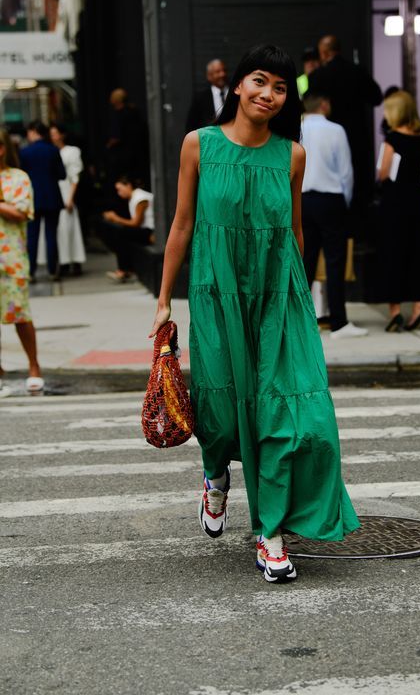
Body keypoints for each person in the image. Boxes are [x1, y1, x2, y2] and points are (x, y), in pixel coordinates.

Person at [149, 44, 360, 584]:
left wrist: (304, 294)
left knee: (293, 419)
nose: (269, 94)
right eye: (260, 82)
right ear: (238, 86)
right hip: (216, 292)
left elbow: (294, 231)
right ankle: (216, 477)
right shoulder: (199, 145)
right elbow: (181, 225)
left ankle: (271, 535)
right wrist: (163, 298)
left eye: (281, 87)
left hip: (278, 296)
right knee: (219, 413)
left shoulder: (293, 155)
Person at [301, 90, 367, 339]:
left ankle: (303, 322)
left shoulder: (297, 129)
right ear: (324, 104)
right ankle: (338, 321)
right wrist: (345, 200)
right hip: (331, 200)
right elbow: (346, 171)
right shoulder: (336, 130)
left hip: (303, 199)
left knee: (305, 262)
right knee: (335, 261)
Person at [308, 35, 383, 224]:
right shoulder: (357, 71)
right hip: (357, 138)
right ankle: (358, 233)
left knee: (333, 179)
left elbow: (308, 104)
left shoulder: (318, 75)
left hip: (327, 138)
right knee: (357, 182)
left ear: (324, 53)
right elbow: (377, 98)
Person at [377, 91, 420, 332]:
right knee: (416, 252)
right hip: (416, 201)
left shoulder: (392, 138)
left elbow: (383, 173)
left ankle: (395, 311)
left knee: (393, 253)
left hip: (394, 203)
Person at [0, 127, 43, 393]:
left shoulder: (18, 178)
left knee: (20, 314)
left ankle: (33, 366)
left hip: (10, 258)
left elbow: (20, 212)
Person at [19, 120, 66, 282]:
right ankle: (53, 270)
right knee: (51, 235)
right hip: (52, 197)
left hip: (32, 199)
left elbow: (21, 176)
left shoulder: (25, 152)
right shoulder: (53, 150)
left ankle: (30, 271)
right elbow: (62, 174)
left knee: (32, 236)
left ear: (32, 131)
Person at [48, 124, 86, 276]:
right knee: (59, 230)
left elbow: (75, 177)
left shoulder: (71, 151)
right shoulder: (51, 152)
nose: (53, 136)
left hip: (66, 191)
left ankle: (75, 260)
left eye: (55, 133)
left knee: (69, 228)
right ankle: (63, 261)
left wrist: (70, 197)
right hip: (55, 191)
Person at [100, 175, 154, 282]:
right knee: (121, 233)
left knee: (122, 233)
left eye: (120, 189)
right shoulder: (134, 198)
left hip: (152, 232)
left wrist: (115, 218)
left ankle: (124, 270)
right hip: (146, 230)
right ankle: (126, 269)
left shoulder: (140, 198)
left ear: (128, 185)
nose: (119, 193)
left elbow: (136, 223)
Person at [105, 89, 149, 188]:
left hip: (122, 156)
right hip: (138, 154)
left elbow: (116, 137)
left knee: (123, 182)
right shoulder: (134, 112)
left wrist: (108, 145)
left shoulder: (118, 115)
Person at [185, 59, 228, 132]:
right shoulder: (200, 98)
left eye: (224, 70)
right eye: (218, 72)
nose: (222, 74)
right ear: (209, 76)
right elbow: (191, 125)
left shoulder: (236, 92)